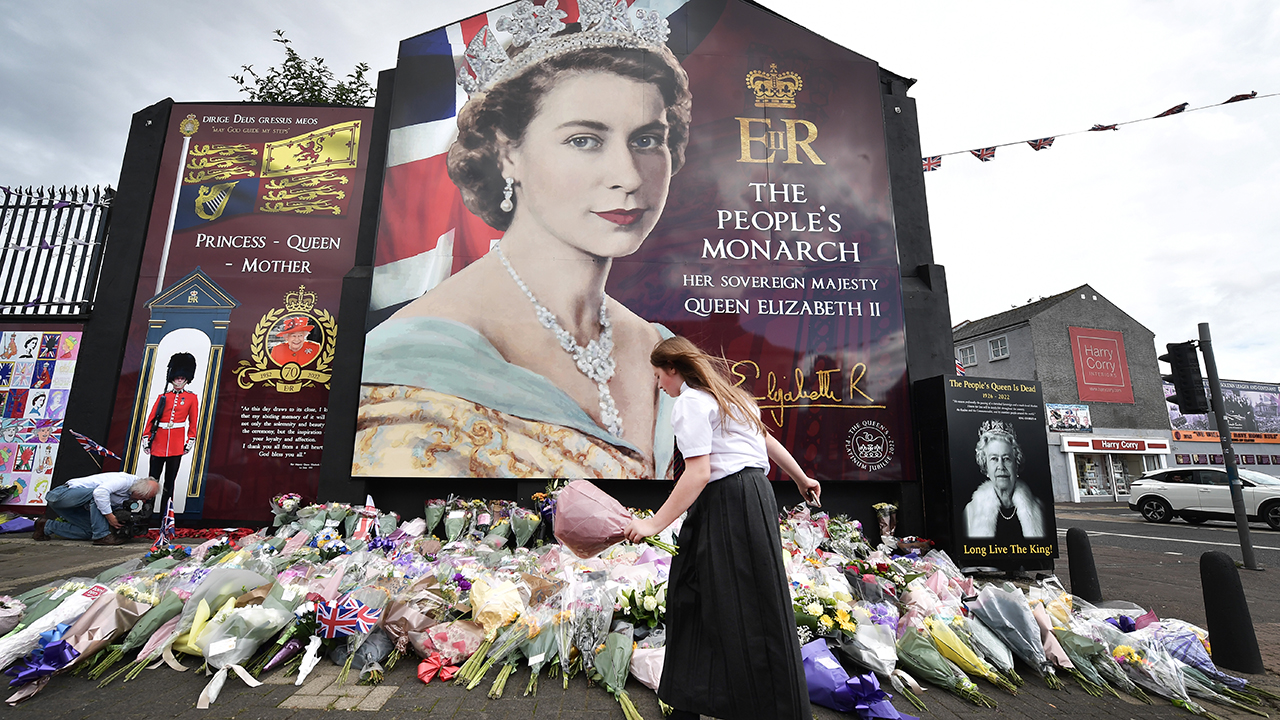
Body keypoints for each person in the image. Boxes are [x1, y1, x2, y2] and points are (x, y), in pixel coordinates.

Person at [357, 6, 691, 480]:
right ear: (507, 152)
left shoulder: (654, 343)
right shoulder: (411, 360)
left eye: (646, 140)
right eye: (584, 140)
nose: (628, 176)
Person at [623, 336, 821, 720]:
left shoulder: (691, 404)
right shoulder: (732, 397)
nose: (659, 384)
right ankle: (694, 700)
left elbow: (698, 473)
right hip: (755, 498)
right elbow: (767, 441)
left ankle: (756, 707)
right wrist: (800, 478)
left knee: (727, 604)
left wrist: (651, 524)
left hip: (727, 502)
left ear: (674, 370)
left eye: (659, 375)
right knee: (715, 598)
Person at [963, 419, 1045, 539]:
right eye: (994, 459)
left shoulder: (1039, 508)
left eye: (1006, 459)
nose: (1001, 467)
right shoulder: (971, 511)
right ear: (985, 467)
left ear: (1016, 464)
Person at [33, 473, 159, 546]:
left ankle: (45, 526)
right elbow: (99, 493)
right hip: (60, 496)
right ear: (138, 491)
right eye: (142, 498)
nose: (142, 501)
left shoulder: (132, 493)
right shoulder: (124, 481)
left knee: (89, 532)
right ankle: (102, 536)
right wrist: (110, 517)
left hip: (77, 506)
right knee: (99, 495)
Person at [143, 352, 199, 512]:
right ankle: (147, 514)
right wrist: (147, 438)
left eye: (182, 378)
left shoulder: (191, 398)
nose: (179, 380)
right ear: (172, 378)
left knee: (169, 483)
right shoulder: (163, 396)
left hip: (176, 444)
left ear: (187, 379)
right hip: (158, 443)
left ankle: (165, 516)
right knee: (152, 481)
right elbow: (152, 418)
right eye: (177, 378)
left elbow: (193, 422)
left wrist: (190, 440)